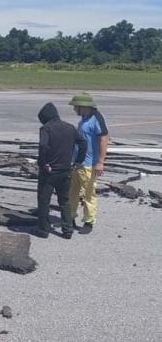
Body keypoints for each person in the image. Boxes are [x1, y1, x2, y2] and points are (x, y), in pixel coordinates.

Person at [36, 102, 87, 239]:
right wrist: (78, 161)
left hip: (49, 171)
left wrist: (43, 163)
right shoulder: (70, 128)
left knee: (44, 200)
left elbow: (43, 146)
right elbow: (83, 142)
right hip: (65, 170)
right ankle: (67, 229)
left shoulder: (46, 129)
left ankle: (44, 229)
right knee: (64, 201)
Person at [69, 92, 109, 235]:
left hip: (89, 164)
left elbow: (104, 139)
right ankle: (71, 217)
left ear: (83, 107)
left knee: (88, 193)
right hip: (77, 163)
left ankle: (88, 221)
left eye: (76, 107)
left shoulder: (96, 118)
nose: (74, 110)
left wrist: (100, 162)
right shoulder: (84, 118)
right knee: (72, 192)